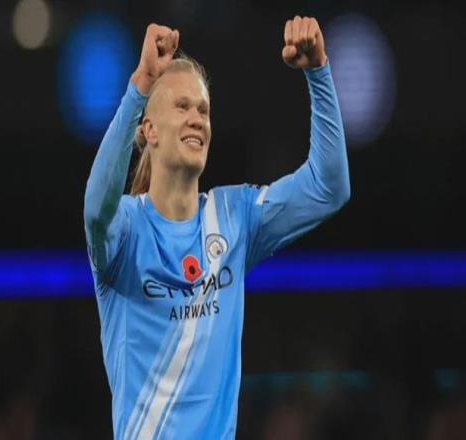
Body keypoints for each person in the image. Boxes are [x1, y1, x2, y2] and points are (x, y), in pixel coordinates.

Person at [84, 16, 350, 440]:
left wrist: (318, 71)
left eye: (203, 110)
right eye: (182, 106)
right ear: (149, 130)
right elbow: (97, 211)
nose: (197, 118)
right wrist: (140, 86)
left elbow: (328, 187)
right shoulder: (128, 229)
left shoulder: (234, 216)